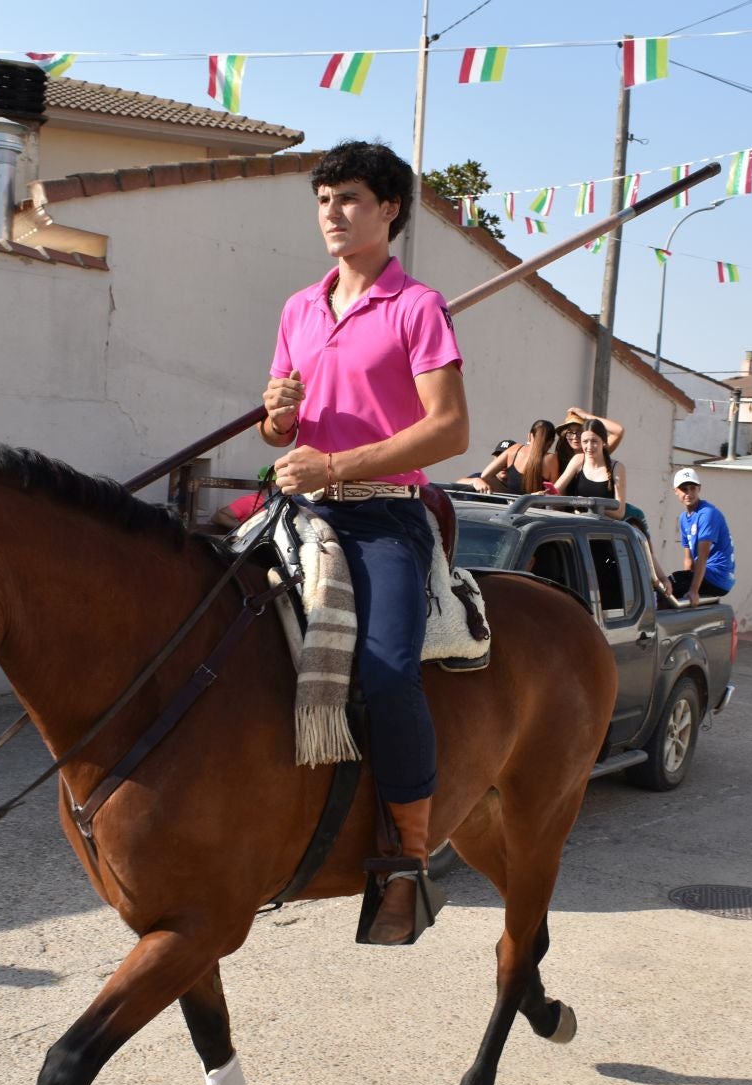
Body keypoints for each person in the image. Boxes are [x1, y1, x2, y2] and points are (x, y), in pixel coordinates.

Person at [260, 140, 469, 945]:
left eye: (348, 199)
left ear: (389, 210)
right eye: (323, 201)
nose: (332, 215)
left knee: (384, 675)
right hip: (301, 505)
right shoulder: (298, 308)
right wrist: (277, 416)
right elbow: (284, 422)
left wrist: (334, 462)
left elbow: (450, 429)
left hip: (384, 515)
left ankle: (407, 862)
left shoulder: (419, 306)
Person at [669, 467, 736, 606]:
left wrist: (693, 591)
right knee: (670, 584)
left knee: (667, 587)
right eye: (684, 489)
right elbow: (688, 560)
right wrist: (686, 585)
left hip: (717, 577)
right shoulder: (683, 518)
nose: (688, 493)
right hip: (707, 575)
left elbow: (702, 557)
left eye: (692, 488)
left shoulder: (707, 514)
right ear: (675, 491)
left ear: (699, 488)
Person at [553, 422, 638, 523]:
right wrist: (543, 493)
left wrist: (589, 505)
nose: (589, 447)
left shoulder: (617, 468)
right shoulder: (578, 459)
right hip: (575, 528)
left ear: (604, 442)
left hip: (601, 531)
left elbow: (619, 513)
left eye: (594, 441)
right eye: (585, 441)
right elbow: (555, 490)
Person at [470, 421, 557, 495]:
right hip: (537, 512)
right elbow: (554, 494)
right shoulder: (551, 459)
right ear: (551, 442)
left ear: (529, 436)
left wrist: (508, 494)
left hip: (512, 509)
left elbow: (486, 475)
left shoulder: (514, 449)